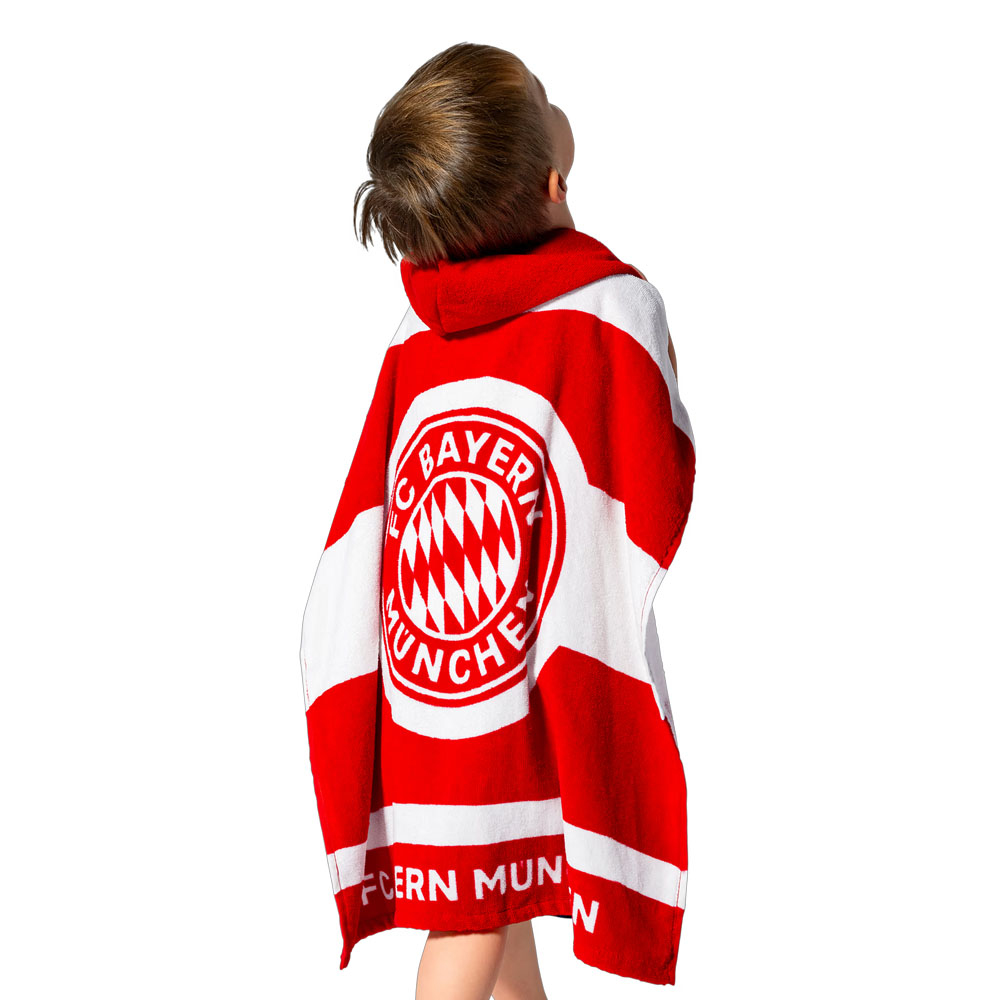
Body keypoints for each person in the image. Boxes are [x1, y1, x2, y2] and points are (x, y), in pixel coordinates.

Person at [299, 42, 697, 997]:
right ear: (555, 179)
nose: (559, 105)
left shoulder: (419, 331)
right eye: (546, 99)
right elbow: (656, 472)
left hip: (425, 684)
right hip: (512, 678)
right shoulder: (612, 306)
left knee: (495, 897)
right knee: (468, 924)